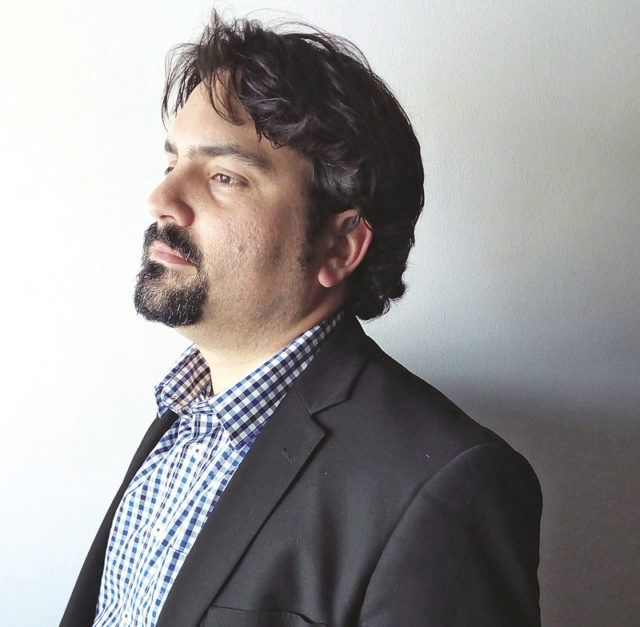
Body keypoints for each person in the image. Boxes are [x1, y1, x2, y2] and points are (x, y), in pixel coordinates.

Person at [61, 11, 541, 627]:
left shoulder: (448, 487)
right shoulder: (180, 423)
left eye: (224, 176)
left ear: (339, 247)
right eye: (171, 163)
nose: (161, 201)